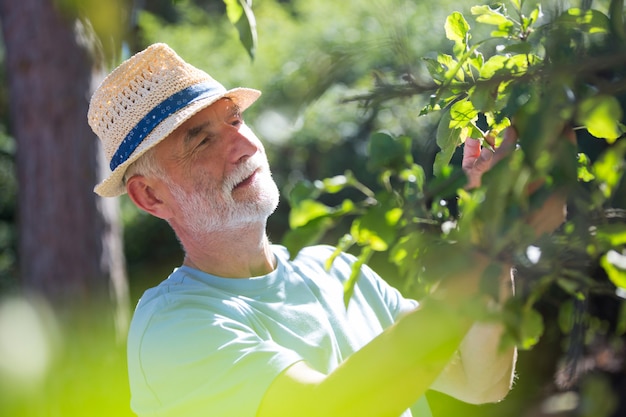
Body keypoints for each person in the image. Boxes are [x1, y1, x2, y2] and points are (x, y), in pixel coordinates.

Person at [88, 43, 563, 417]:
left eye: (235, 119)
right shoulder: (173, 328)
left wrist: (490, 225)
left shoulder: (333, 270)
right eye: (203, 140)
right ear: (151, 197)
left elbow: (482, 381)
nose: (242, 144)